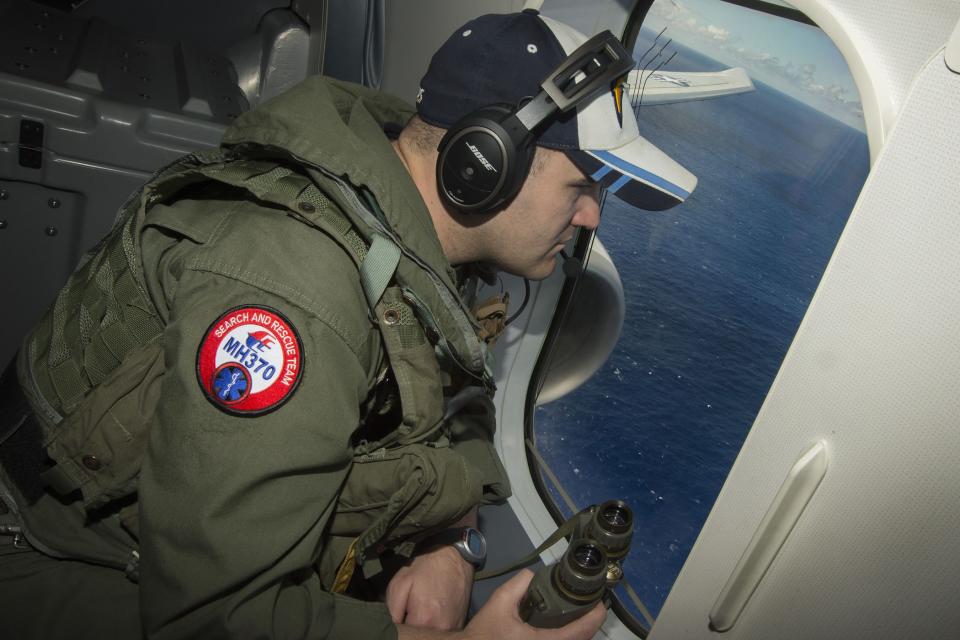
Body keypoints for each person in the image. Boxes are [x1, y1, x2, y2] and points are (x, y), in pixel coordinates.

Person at [0, 9, 694, 640]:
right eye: (582, 186)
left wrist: (452, 541)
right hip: (54, 561)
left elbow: (454, 393)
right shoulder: (292, 293)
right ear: (485, 163)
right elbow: (212, 622)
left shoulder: (415, 238)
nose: (593, 217)